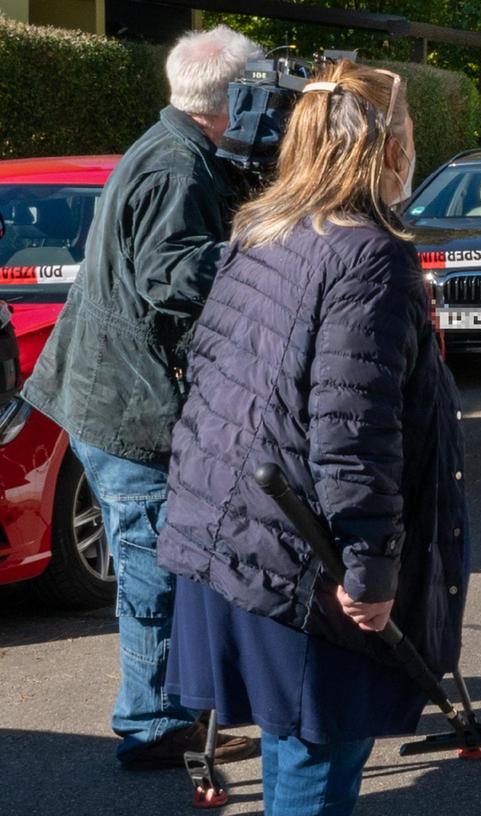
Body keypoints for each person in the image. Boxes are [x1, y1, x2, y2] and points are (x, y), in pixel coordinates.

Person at [154, 59, 468, 816]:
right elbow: (350, 430)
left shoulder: (264, 230)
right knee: (314, 762)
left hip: (234, 536)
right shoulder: (367, 252)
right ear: (387, 146)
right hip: (299, 555)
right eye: (411, 135)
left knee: (301, 751)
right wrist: (369, 567)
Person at [21, 25, 262, 770]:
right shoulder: (172, 166)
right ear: (234, 97)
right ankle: (151, 723)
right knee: (153, 566)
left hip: (115, 388)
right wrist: (271, 249)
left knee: (162, 557)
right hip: (122, 401)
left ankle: (171, 703)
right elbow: (173, 275)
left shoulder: (183, 153)